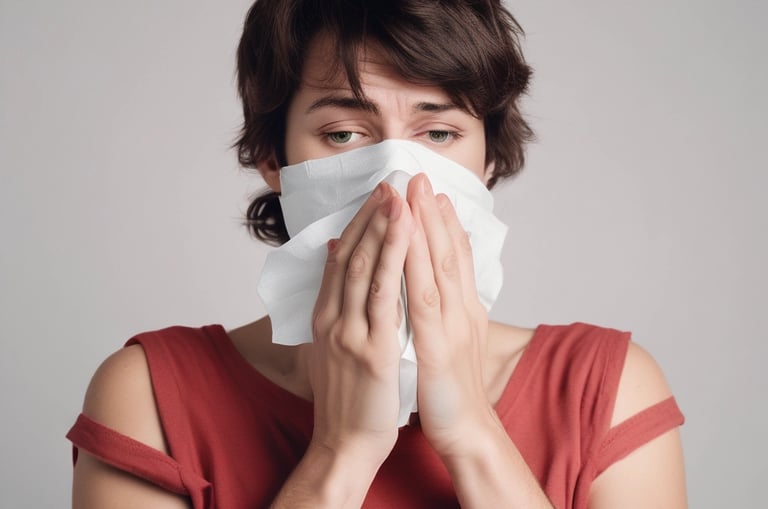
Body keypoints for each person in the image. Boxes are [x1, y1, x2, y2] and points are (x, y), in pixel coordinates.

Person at [67, 1, 687, 507]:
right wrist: (340, 452)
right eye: (343, 134)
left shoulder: (606, 391)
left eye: (438, 133)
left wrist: (473, 433)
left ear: (489, 160)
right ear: (274, 161)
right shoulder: (151, 396)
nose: (395, 180)